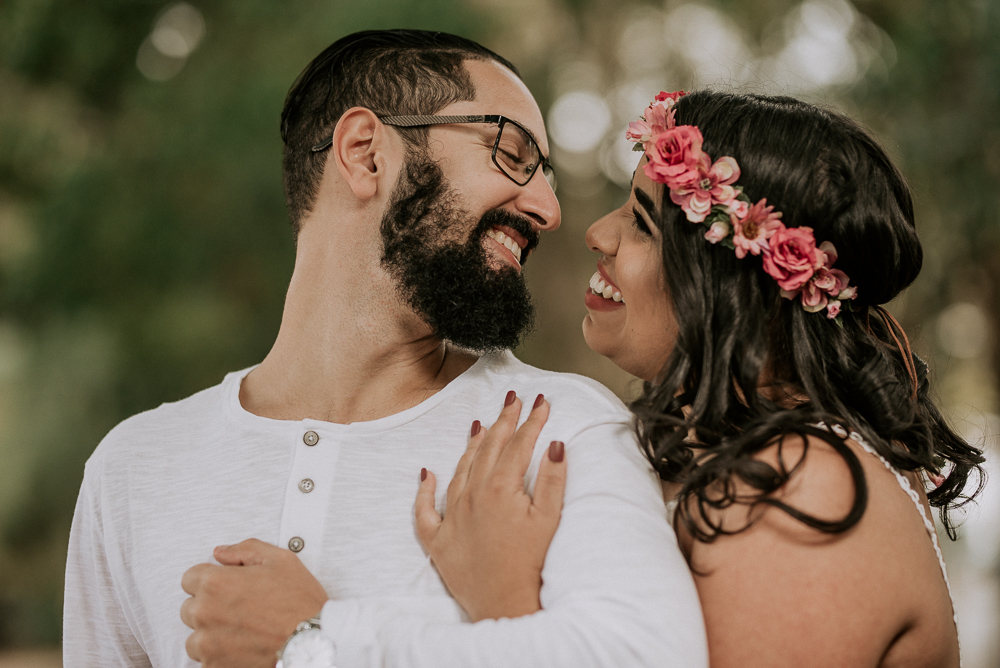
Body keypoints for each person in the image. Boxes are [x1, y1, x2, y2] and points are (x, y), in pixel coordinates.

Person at [62, 31, 708, 668]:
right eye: (511, 154)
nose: (547, 207)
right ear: (366, 153)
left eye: (544, 173)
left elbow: (650, 656)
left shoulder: (560, 427)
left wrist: (316, 639)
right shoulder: (133, 469)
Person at [414, 90, 985, 667]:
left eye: (641, 221)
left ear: (731, 284)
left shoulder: (804, 487)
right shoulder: (735, 456)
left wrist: (506, 603)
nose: (597, 234)